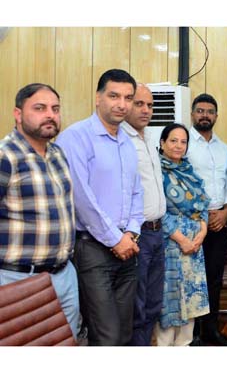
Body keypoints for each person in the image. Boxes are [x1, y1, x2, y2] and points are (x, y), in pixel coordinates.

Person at [56, 69, 144, 345]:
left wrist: (130, 233)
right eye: (114, 96)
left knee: (124, 333)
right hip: (93, 248)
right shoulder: (75, 137)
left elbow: (136, 193)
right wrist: (115, 238)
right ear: (98, 98)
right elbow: (81, 198)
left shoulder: (127, 143)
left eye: (128, 98)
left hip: (127, 247)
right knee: (105, 335)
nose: (122, 104)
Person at [0, 83, 79, 339]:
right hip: (17, 279)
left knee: (67, 344)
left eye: (55, 109)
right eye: (40, 108)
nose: (50, 115)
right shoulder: (6, 156)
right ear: (18, 113)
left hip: (64, 275)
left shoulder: (58, 154)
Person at [184, 93, 227, 346]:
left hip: (219, 223)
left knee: (214, 279)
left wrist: (226, 211)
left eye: (210, 111)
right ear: (192, 114)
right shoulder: (183, 144)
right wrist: (202, 214)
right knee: (192, 280)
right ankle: (192, 337)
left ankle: (210, 331)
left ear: (216, 116)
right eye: (200, 111)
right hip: (192, 224)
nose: (205, 115)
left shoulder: (225, 148)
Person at [121, 83, 167, 345]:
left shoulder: (150, 138)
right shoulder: (121, 139)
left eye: (150, 105)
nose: (146, 110)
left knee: (153, 304)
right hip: (136, 236)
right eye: (139, 104)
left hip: (157, 232)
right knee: (136, 307)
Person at [156, 123, 210, 346]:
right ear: (162, 143)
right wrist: (182, 239)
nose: (179, 146)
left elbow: (203, 204)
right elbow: (157, 210)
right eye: (173, 141)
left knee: (190, 307)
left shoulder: (189, 170)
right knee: (170, 306)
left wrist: (203, 230)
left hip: (195, 248)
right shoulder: (156, 170)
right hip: (171, 245)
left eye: (183, 141)